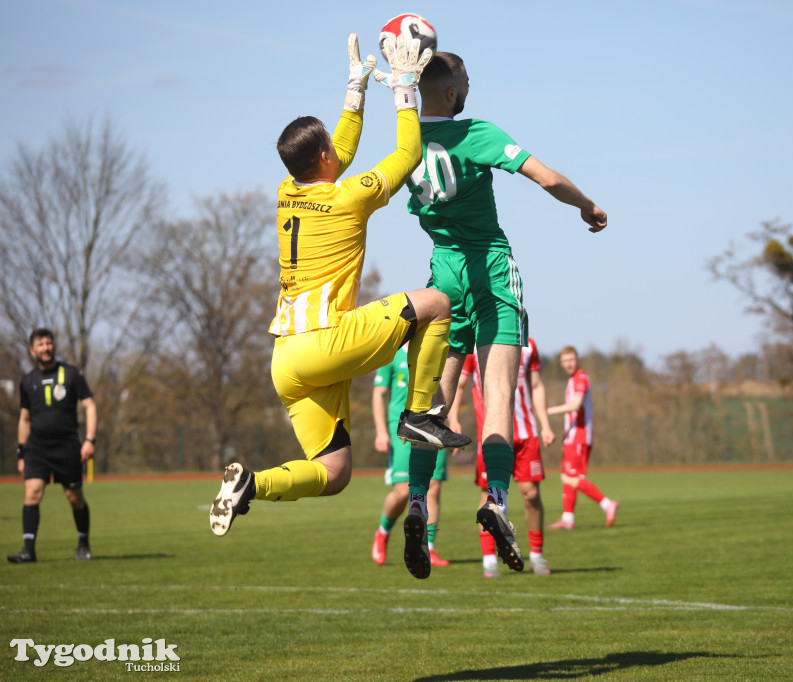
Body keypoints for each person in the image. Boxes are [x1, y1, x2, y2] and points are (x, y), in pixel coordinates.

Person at [209, 34, 469, 582]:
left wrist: (354, 93)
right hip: (325, 341)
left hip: (285, 361)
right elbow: (407, 154)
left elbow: (337, 154)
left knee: (334, 472)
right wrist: (401, 91)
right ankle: (421, 414)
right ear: (323, 156)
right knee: (438, 303)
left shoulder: (289, 191)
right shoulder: (347, 198)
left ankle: (250, 485)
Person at [395, 51, 607, 573]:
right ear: (450, 93)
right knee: (496, 403)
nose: (469, 87)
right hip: (490, 271)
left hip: (442, 281)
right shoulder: (477, 132)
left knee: (431, 410)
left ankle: (418, 502)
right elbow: (548, 178)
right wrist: (587, 205)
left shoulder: (404, 144)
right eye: (465, 81)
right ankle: (496, 501)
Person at [450, 338, 556, 577]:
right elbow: (460, 383)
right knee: (488, 496)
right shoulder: (475, 344)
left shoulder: (528, 344)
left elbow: (536, 386)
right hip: (492, 435)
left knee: (531, 494)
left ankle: (537, 555)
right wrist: (454, 419)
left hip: (526, 434)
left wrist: (546, 424)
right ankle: (489, 558)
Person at [8, 328, 97, 564]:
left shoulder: (71, 374)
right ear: (32, 350)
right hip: (36, 449)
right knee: (32, 493)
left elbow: (89, 406)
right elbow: (24, 419)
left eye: (49, 343)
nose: (46, 348)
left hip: (67, 447)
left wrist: (89, 439)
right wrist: (21, 452)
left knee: (74, 496)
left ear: (54, 346)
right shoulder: (27, 381)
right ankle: (28, 550)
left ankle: (83, 543)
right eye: (40, 344)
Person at [371, 343, 450, 568]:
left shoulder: (437, 348)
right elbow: (379, 394)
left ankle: (428, 547)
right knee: (403, 490)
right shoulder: (392, 353)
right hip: (401, 428)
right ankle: (383, 531)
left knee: (433, 487)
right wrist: (381, 431)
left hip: (433, 426)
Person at [547, 346, 618, 529]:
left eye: (571, 360)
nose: (568, 363)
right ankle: (568, 519)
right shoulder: (572, 381)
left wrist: (546, 411)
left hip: (579, 437)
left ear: (578, 360)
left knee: (571, 478)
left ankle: (607, 504)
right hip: (571, 437)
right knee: (567, 477)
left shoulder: (581, 379)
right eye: (565, 361)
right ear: (561, 363)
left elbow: (575, 405)